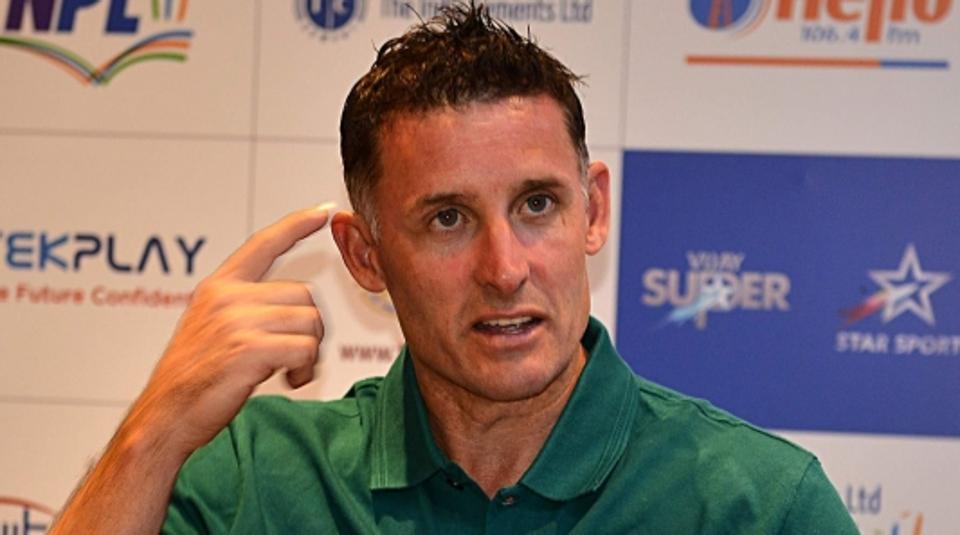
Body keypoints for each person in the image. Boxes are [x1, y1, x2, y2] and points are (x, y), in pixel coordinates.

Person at [52, 3, 858, 533]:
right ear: (366, 256)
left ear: (594, 210)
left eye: (537, 204)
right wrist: (154, 431)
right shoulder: (252, 477)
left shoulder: (762, 505)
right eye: (448, 218)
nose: (504, 269)